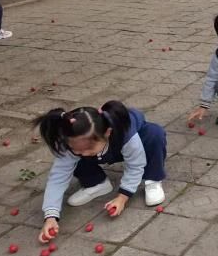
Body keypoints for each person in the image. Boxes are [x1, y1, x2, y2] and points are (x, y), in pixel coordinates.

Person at [35, 100, 167, 243]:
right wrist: (51, 216)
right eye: (76, 149)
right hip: (103, 150)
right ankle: (96, 183)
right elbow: (58, 178)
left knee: (155, 133)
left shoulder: (125, 132)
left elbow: (135, 164)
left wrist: (123, 197)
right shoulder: (69, 142)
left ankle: (153, 179)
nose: (83, 153)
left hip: (132, 143)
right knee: (72, 159)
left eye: (88, 149)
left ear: (107, 132)